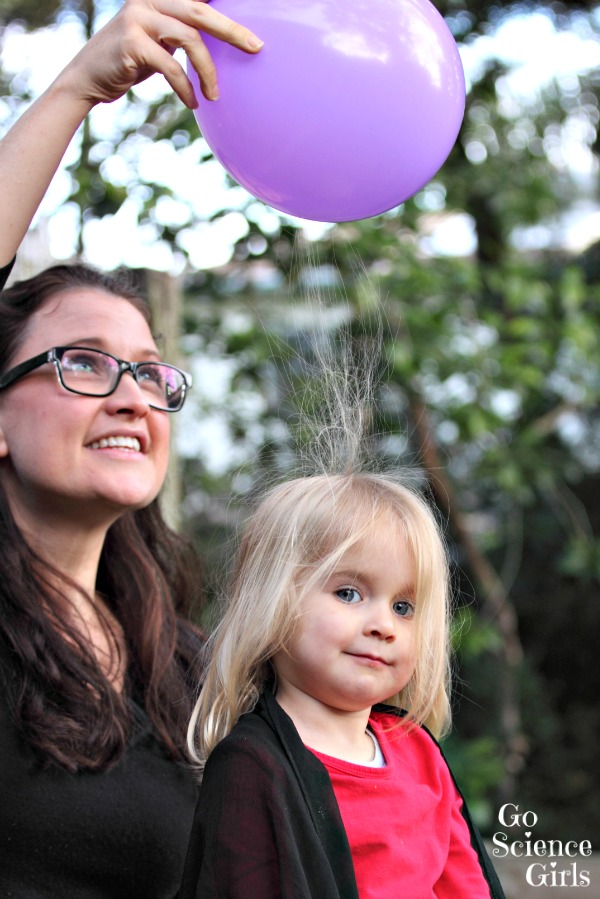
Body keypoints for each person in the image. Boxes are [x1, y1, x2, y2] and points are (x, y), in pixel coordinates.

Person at [0, 2, 263, 897]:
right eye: (85, 363)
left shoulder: (181, 660)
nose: (130, 395)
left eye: (151, 374)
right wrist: (76, 87)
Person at [182, 469, 506, 898]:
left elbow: (467, 885)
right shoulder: (255, 765)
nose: (384, 625)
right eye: (349, 593)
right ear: (273, 600)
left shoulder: (420, 753)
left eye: (404, 606)